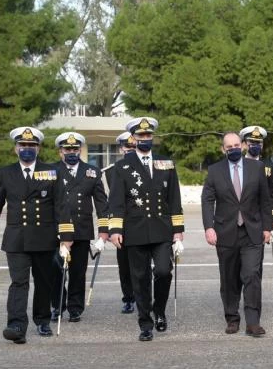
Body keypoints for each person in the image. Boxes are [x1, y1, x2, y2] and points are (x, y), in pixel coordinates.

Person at [0, 127, 73, 343]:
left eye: (31, 146)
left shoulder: (52, 172)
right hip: (16, 238)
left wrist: (66, 236)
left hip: (44, 237)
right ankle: (16, 325)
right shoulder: (6, 173)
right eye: (23, 146)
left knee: (43, 282)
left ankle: (42, 321)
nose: (27, 149)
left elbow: (61, 204)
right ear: (16, 148)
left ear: (38, 148)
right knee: (19, 282)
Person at [108, 117, 185, 342]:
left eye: (148, 135)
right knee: (140, 278)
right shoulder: (122, 166)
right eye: (141, 136)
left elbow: (174, 199)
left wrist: (178, 230)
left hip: (162, 230)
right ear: (133, 138)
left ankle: (159, 309)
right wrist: (115, 230)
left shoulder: (166, 163)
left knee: (163, 271)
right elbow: (116, 202)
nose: (145, 139)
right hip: (135, 230)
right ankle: (145, 323)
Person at [202, 132, 273, 336]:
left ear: (242, 145)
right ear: (223, 149)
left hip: (252, 231)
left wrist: (267, 227)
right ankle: (232, 318)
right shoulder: (215, 171)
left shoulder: (257, 168)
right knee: (229, 278)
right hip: (225, 232)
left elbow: (265, 200)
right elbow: (207, 200)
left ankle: (253, 322)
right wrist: (209, 227)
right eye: (228, 146)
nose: (233, 148)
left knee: (252, 275)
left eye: (236, 145)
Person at [50, 132, 108, 324]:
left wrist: (103, 233)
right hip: (56, 231)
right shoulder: (51, 171)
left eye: (75, 149)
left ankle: (75, 308)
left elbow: (101, 203)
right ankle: (56, 306)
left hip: (82, 231)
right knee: (56, 269)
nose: (72, 152)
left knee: (77, 271)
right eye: (68, 149)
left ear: (80, 150)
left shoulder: (92, 172)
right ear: (60, 152)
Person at [103, 132, 138, 314]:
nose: (130, 150)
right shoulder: (113, 170)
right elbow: (113, 200)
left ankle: (142, 296)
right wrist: (111, 227)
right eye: (127, 147)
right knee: (124, 265)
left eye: (133, 147)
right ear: (121, 149)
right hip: (122, 223)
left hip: (140, 222)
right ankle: (128, 298)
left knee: (142, 264)